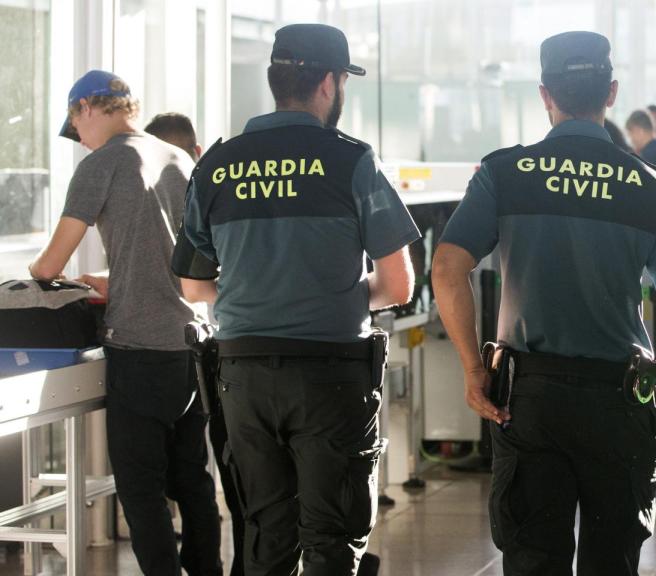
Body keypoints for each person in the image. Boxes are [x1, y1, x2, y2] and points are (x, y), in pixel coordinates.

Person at [432, 31, 656, 576]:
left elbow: (446, 269)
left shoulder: (504, 174)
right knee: (612, 561)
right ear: (610, 94)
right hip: (619, 402)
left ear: (545, 94)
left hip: (529, 399)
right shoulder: (648, 186)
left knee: (534, 557)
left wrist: (472, 368)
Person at [172, 23, 418, 575]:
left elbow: (193, 286)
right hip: (330, 377)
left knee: (266, 535)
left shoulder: (217, 163)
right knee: (331, 538)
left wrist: (256, 291)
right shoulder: (352, 160)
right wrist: (339, 297)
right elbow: (399, 285)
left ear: (275, 79)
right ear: (329, 84)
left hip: (243, 375)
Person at [30, 70, 222, 575]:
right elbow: (181, 259)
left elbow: (49, 267)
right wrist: (117, 280)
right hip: (194, 346)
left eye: (77, 126)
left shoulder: (103, 164)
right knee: (193, 480)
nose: (80, 140)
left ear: (88, 107)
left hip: (140, 350)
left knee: (140, 489)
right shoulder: (178, 158)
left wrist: (36, 274)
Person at [145, 112, 247, 576]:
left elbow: (192, 282)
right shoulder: (210, 183)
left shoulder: (200, 187)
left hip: (214, 352)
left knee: (230, 480)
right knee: (200, 475)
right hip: (207, 347)